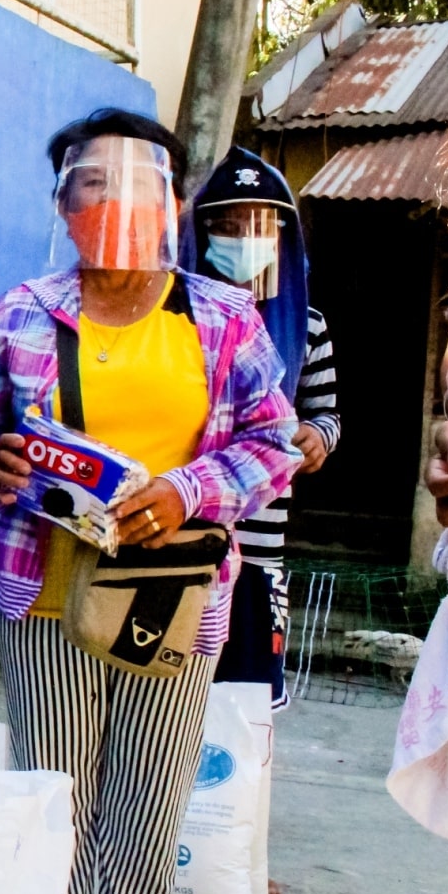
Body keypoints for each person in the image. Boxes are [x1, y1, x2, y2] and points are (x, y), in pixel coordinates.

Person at [0, 109, 297, 894]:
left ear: (171, 201)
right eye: (86, 183)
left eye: (133, 182)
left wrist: (185, 489)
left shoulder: (221, 320)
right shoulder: (20, 314)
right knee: (52, 802)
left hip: (173, 599)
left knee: (148, 801)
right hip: (47, 596)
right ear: (62, 204)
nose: (112, 200)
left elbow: (274, 444)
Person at [189, 147, 341, 710]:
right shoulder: (177, 320)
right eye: (225, 224)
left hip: (259, 546)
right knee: (170, 702)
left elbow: (327, 413)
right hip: (186, 539)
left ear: (283, 234)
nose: (242, 236)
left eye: (258, 223)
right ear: (199, 234)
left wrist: (317, 437)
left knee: (243, 716)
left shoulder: (308, 327)